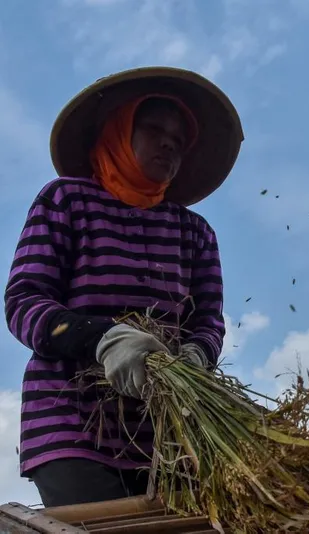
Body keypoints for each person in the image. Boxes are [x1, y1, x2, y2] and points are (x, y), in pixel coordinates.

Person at [4, 67, 244, 507]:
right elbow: (24, 301)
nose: (169, 142)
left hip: (169, 433)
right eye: (154, 128)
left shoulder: (194, 233)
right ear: (118, 132)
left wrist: (194, 357)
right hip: (70, 421)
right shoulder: (66, 201)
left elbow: (208, 320)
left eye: (179, 138)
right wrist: (104, 339)